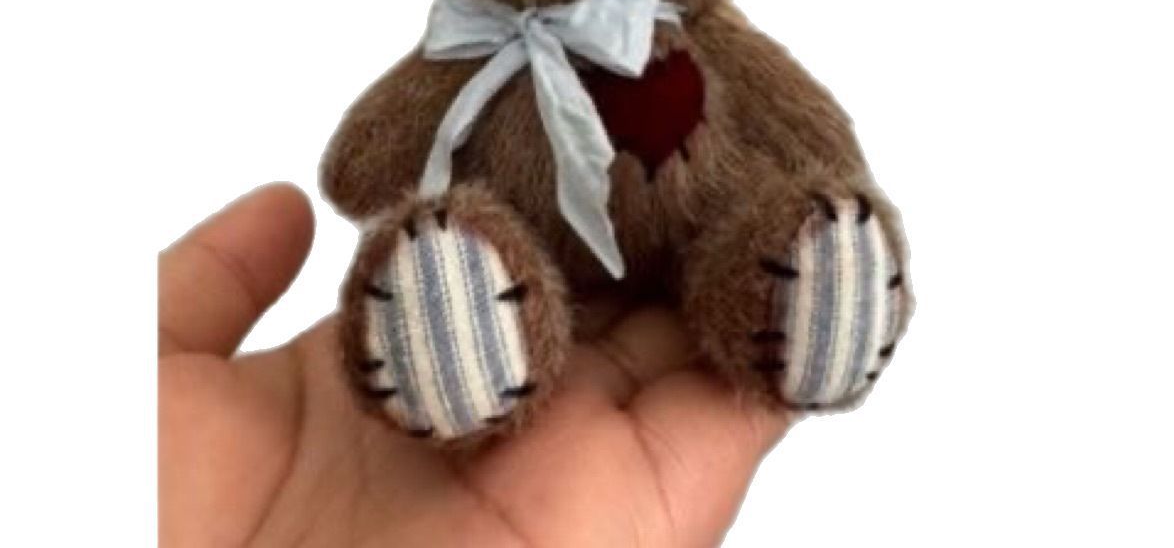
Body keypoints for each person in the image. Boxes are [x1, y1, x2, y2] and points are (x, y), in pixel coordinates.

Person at [159, 183, 789, 546]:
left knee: (750, 230)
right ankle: (454, 313)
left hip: (694, 228)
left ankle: (790, 265)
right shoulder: (475, 50)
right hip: (512, 228)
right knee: (469, 234)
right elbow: (364, 164)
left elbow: (798, 130)